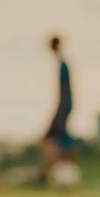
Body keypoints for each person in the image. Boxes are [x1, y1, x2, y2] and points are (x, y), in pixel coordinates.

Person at [40, 35, 75, 183]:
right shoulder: (62, 63)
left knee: (48, 139)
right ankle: (61, 173)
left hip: (63, 107)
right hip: (64, 106)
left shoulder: (63, 65)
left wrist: (61, 110)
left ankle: (54, 173)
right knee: (63, 141)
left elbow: (65, 91)